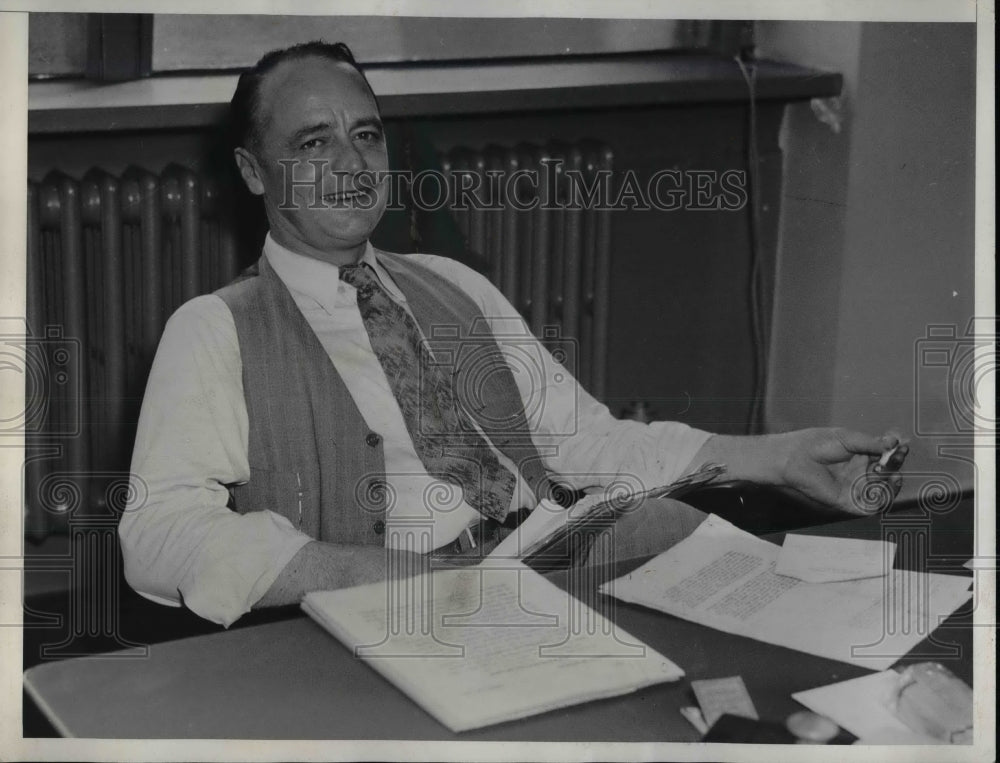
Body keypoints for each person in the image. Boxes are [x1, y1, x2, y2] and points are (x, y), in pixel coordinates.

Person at [119, 41, 906, 627]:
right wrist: (375, 574)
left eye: (367, 135)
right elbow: (157, 535)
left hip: (551, 556)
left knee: (800, 612)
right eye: (313, 143)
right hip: (403, 612)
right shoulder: (216, 329)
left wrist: (779, 457)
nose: (352, 164)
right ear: (254, 172)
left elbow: (588, 442)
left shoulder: (454, 285)